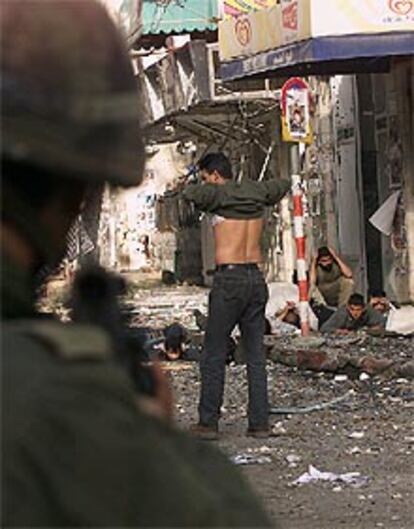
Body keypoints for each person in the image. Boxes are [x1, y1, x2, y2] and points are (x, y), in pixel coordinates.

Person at [1, 2, 272, 527]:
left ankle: (217, 420)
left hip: (231, 283)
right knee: (233, 357)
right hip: (252, 282)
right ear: (73, 187)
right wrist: (146, 436)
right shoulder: (54, 399)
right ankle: (243, 422)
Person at [182, 152, 290, 439]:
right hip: (256, 278)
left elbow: (189, 192)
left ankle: (208, 422)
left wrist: (203, 183)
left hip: (229, 279)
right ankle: (259, 424)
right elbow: (283, 184)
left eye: (207, 178)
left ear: (215, 175)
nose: (205, 183)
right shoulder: (258, 193)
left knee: (215, 352)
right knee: (255, 355)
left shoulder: (216, 197)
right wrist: (249, 190)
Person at [320, 293, 385, 334]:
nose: (355, 313)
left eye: (358, 310)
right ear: (348, 307)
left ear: (363, 308)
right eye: (352, 309)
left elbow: (381, 321)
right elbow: (324, 328)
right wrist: (339, 331)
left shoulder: (368, 310)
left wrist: (371, 330)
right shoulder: (342, 313)